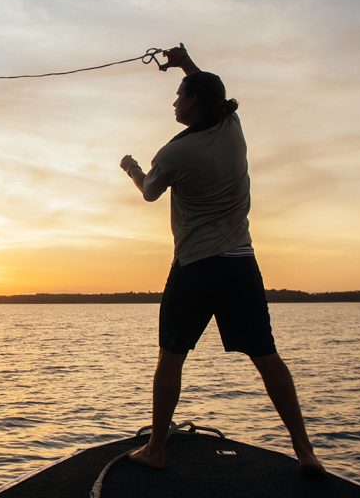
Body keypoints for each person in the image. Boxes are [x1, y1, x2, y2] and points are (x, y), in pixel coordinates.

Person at [119, 44, 325, 474]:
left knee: (171, 355)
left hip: (195, 266)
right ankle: (305, 451)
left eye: (179, 95)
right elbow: (214, 92)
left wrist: (132, 167)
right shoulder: (232, 126)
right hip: (240, 264)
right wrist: (186, 63)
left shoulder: (175, 153)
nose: (174, 101)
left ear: (193, 101)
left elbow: (150, 192)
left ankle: (156, 449)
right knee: (266, 355)